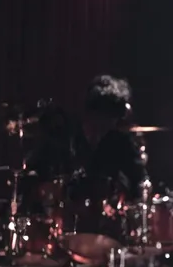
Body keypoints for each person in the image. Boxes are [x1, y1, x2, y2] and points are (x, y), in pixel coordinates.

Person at [24, 75, 147, 208]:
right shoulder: (62, 137)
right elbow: (33, 174)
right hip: (63, 217)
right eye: (106, 116)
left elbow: (139, 181)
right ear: (93, 112)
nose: (111, 123)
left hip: (107, 222)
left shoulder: (121, 142)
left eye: (113, 118)